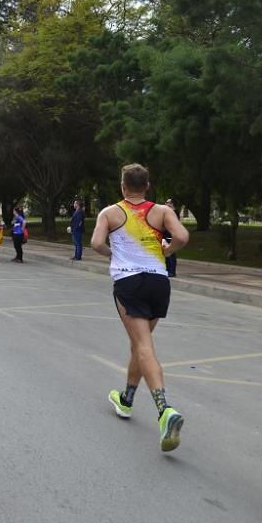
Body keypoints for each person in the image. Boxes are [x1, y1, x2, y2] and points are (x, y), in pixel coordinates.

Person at [91, 163, 189, 453]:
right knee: (140, 344)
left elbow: (96, 243)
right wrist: (165, 250)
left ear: (123, 186)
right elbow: (182, 237)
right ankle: (126, 399)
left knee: (143, 345)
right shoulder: (162, 212)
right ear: (146, 186)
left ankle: (164, 410)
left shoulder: (110, 213)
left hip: (129, 281)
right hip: (158, 281)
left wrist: (114, 252)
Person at [163, 198, 178, 277]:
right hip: (165, 235)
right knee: (166, 254)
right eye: (166, 202)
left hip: (171, 236)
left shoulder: (174, 213)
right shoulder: (167, 212)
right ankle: (167, 270)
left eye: (169, 203)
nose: (167, 204)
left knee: (171, 254)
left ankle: (172, 271)